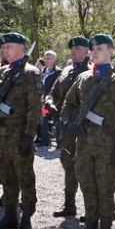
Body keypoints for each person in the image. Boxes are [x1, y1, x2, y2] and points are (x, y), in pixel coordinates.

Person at [61, 33, 115, 229]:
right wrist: (69, 123)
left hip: (107, 146)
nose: (94, 52)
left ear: (111, 51)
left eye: (100, 48)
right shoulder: (83, 78)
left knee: (105, 189)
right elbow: (68, 105)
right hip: (84, 144)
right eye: (92, 49)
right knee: (87, 186)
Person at [0, 32, 42, 229]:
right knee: (6, 175)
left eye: (9, 47)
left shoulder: (30, 73)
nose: (5, 50)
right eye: (3, 48)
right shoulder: (0, 72)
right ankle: (10, 214)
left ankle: (26, 219)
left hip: (18, 133)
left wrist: (28, 136)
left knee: (25, 177)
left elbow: (34, 109)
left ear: (22, 48)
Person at [46, 36, 91, 217]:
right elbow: (52, 92)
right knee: (67, 163)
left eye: (78, 49)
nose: (74, 51)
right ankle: (69, 205)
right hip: (64, 127)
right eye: (72, 49)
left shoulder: (92, 72)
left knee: (85, 167)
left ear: (87, 51)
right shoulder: (65, 72)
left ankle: (91, 210)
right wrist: (49, 103)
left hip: (83, 129)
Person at [36, 50, 60, 146]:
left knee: (56, 120)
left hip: (54, 102)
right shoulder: (43, 71)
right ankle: (45, 141)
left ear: (54, 59)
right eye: (46, 58)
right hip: (43, 102)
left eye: (49, 58)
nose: (47, 60)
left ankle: (59, 142)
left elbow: (59, 87)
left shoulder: (58, 72)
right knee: (43, 119)